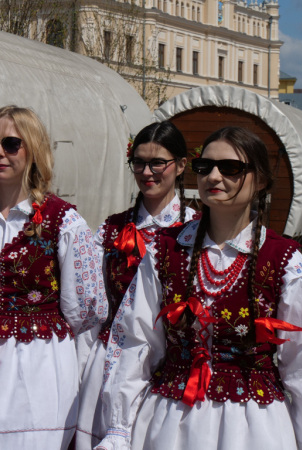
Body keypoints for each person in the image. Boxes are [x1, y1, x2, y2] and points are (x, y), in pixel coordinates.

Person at [96, 127, 302, 450]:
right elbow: (136, 340)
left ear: (261, 180)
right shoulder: (165, 250)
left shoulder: (282, 260)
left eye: (230, 168)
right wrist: (119, 427)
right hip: (170, 421)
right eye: (204, 167)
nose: (213, 176)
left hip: (254, 427)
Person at [0, 105, 108, 449]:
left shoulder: (62, 221)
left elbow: (86, 313)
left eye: (11, 144)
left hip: (38, 368)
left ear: (33, 149)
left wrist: (74, 379)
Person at [75, 121, 197, 449]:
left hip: (172, 368)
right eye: (139, 163)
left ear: (181, 165)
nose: (146, 172)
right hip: (110, 361)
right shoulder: (111, 229)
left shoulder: (197, 231)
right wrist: (79, 368)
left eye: (157, 163)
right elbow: (91, 306)